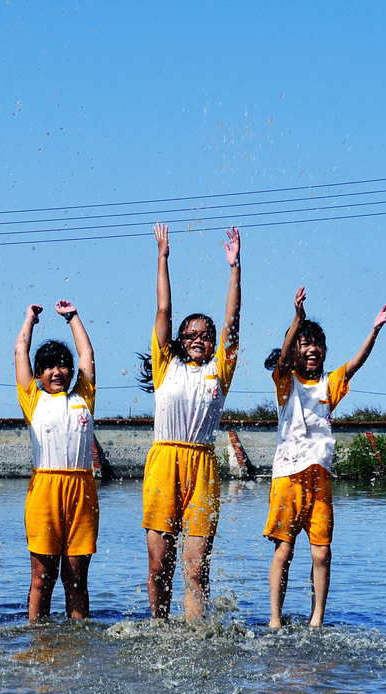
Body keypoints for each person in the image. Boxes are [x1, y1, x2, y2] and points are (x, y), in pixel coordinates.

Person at [265, 286, 386, 628]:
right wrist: (297, 318)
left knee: (322, 553)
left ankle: (317, 620)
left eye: (317, 345)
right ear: (294, 350)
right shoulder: (285, 380)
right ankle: (275, 619)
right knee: (285, 550)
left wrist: (375, 329)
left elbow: (355, 364)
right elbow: (281, 357)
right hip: (287, 477)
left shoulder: (329, 383)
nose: (312, 350)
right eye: (304, 344)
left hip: (319, 478)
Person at [137, 223, 241, 621]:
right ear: (180, 340)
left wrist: (235, 269)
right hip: (164, 463)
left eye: (206, 334)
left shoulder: (219, 371)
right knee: (159, 566)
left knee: (196, 568)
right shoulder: (166, 366)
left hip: (203, 466)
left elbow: (233, 322)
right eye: (191, 333)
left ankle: (196, 636)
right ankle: (159, 630)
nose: (198, 337)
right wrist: (163, 258)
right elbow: (163, 310)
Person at [14, 300, 97, 622]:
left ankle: (78, 640)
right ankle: (38, 637)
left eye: (63, 365)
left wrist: (73, 317)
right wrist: (30, 320)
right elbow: (21, 351)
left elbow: (87, 354)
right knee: (42, 577)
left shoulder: (83, 396)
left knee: (76, 577)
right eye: (49, 366)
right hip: (44, 491)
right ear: (38, 375)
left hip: (82, 491)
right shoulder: (33, 399)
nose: (57, 371)